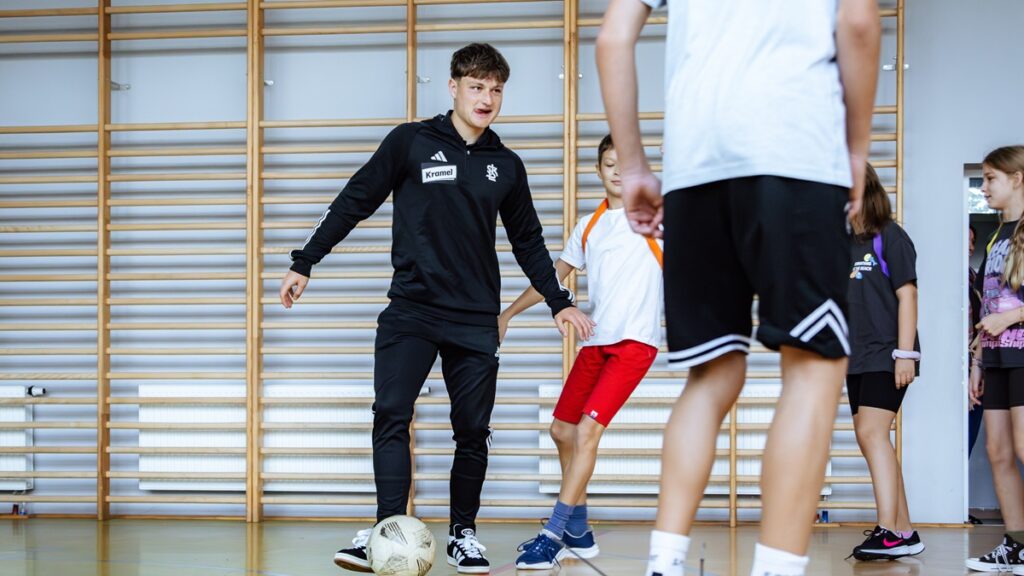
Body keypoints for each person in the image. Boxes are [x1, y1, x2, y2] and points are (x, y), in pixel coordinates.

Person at [279, 43, 594, 574]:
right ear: (453, 87)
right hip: (412, 311)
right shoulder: (411, 142)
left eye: (496, 89)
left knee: (472, 430)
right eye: (476, 87)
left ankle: (462, 534)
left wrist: (558, 302)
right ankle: (386, 529)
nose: (486, 98)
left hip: (474, 319)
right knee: (391, 413)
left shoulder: (506, 166)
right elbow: (354, 199)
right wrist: (305, 260)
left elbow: (529, 242)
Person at [595, 1, 881, 574]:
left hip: (695, 172)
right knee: (813, 369)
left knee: (711, 375)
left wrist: (634, 166)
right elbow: (857, 22)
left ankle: (664, 562)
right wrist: (854, 150)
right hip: (796, 157)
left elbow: (612, 39)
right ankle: (777, 567)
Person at [500, 135, 663, 569]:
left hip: (635, 343)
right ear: (598, 170)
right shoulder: (589, 226)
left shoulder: (655, 218)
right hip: (597, 341)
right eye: (610, 164)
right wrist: (507, 314)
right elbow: (552, 278)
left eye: (626, 164)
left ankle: (553, 535)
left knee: (587, 432)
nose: (618, 171)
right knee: (561, 430)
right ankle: (579, 528)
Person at [845, 163, 924, 560]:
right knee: (872, 438)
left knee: (871, 433)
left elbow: (907, 295)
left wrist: (905, 354)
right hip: (856, 357)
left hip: (888, 353)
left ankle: (888, 532)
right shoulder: (844, 244)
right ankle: (906, 532)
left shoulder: (890, 235)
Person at [967, 145, 1024, 573]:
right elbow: (988, 305)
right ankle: (1017, 545)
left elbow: (1003, 311)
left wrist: (1011, 317)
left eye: (991, 179)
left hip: (1022, 355)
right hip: (998, 358)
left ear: (1017, 179)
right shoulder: (998, 235)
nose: (984, 187)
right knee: (997, 450)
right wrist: (978, 362)